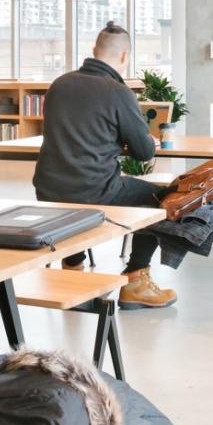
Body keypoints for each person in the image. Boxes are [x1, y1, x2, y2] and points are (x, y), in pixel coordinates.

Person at [33, 21, 175, 309]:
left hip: (47, 189)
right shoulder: (118, 91)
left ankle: (72, 272)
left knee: (72, 197)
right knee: (160, 199)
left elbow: (76, 136)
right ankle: (135, 281)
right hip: (93, 190)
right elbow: (143, 152)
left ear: (93, 50)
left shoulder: (59, 84)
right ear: (124, 56)